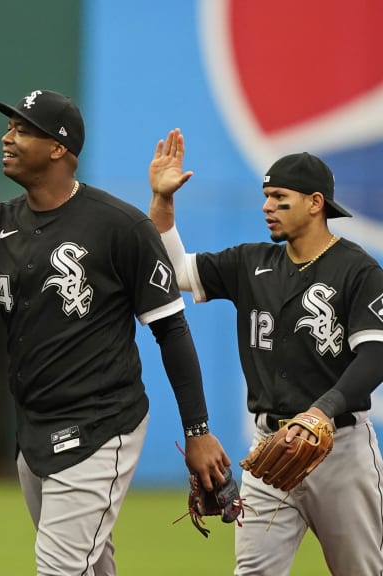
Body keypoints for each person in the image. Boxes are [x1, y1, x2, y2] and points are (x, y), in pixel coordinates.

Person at [0, 89, 230, 575]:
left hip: (102, 425)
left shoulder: (120, 226)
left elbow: (171, 330)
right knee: (90, 564)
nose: (7, 137)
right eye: (9, 126)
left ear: (59, 148)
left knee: (60, 568)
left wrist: (198, 432)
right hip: (34, 426)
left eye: (22, 129)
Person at [148, 129, 383, 574]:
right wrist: (163, 201)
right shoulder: (250, 262)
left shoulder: (358, 269)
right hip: (269, 450)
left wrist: (322, 411)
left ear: (316, 203)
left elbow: (375, 355)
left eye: (279, 197)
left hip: (339, 451)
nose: (266, 206)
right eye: (265, 196)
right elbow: (173, 270)